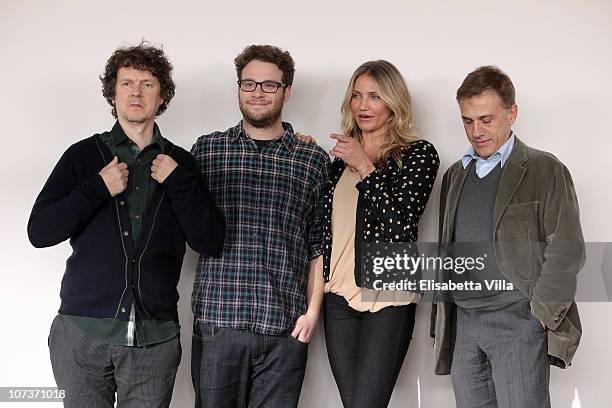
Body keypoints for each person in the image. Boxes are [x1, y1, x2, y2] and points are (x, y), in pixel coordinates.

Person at [27, 43, 225, 408]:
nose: (136, 92)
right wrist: (96, 188)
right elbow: (39, 232)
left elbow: (210, 241)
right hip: (82, 333)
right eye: (127, 83)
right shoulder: (82, 156)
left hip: (155, 338)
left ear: (161, 94)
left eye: (147, 83)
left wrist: (179, 183)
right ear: (113, 92)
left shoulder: (181, 163)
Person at [431, 65, 585, 408]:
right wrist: (441, 320)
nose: (476, 131)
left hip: (518, 320)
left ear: (511, 113)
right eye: (467, 121)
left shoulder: (545, 169)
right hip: (466, 324)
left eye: (486, 119)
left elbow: (567, 248)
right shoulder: (455, 175)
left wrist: (540, 315)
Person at [190, 44, 330, 408]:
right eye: (248, 84)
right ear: (238, 88)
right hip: (219, 323)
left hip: (283, 328)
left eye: (269, 85)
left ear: (286, 92)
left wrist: (312, 313)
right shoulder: (206, 152)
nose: (257, 93)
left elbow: (318, 244)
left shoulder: (311, 159)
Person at [321, 60, 439, 407]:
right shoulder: (337, 161)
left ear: (393, 102)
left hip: (389, 298)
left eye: (374, 96)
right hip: (338, 297)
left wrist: (365, 166)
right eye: (356, 96)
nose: (362, 105)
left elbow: (401, 227)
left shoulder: (418, 155)